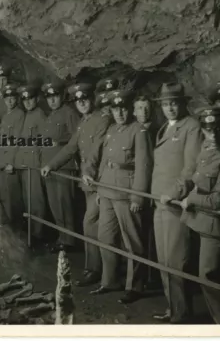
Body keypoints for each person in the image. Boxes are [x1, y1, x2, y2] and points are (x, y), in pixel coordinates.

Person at [175, 106, 220, 324]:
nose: (211, 134)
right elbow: (197, 179)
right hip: (197, 220)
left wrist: (190, 200)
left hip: (214, 224)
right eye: (207, 129)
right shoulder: (206, 147)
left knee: (209, 276)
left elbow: (218, 200)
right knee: (197, 272)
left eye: (216, 129)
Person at [42, 84, 112, 285]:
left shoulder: (102, 120)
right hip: (89, 183)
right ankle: (96, 269)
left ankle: (98, 270)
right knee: (92, 225)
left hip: (99, 181)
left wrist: (88, 172)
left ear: (92, 99)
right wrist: (51, 165)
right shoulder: (83, 122)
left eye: (85, 99)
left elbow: (96, 151)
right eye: (77, 101)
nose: (81, 103)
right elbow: (71, 147)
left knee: (93, 225)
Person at [87, 90, 153, 305]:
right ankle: (109, 281)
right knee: (105, 237)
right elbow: (105, 160)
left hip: (126, 193)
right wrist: (98, 189)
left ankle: (135, 286)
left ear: (130, 110)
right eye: (116, 109)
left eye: (124, 109)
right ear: (112, 111)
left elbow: (143, 166)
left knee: (132, 242)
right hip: (106, 191)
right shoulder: (112, 130)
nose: (120, 113)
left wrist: (138, 197)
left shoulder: (139, 131)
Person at [153, 82, 203, 323]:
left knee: (176, 260)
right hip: (159, 201)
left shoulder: (191, 127)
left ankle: (181, 313)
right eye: (165, 104)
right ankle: (173, 309)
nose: (170, 108)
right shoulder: (165, 127)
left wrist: (174, 192)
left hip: (173, 202)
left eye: (174, 103)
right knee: (164, 260)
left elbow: (191, 168)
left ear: (183, 103)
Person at [38, 82, 80, 253]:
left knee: (65, 204)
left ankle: (69, 240)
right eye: (49, 97)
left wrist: (60, 142)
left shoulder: (69, 113)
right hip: (49, 166)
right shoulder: (50, 116)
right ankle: (62, 238)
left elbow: (77, 139)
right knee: (55, 205)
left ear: (61, 96)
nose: (52, 100)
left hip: (63, 165)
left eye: (55, 96)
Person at [14, 84, 48, 247]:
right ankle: (31, 231)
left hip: (34, 163)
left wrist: (42, 164)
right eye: (25, 100)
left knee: (36, 200)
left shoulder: (40, 114)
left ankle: (38, 233)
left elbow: (44, 141)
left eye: (30, 99)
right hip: (23, 163)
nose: (27, 102)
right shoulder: (25, 115)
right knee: (28, 199)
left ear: (36, 99)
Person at [133, 94, 161, 289]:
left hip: (155, 189)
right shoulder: (135, 130)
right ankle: (145, 277)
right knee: (141, 235)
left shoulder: (158, 130)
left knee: (152, 236)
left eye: (146, 107)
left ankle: (152, 277)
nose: (143, 111)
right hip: (141, 188)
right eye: (139, 108)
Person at [0, 83, 25, 229]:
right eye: (7, 98)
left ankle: (17, 228)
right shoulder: (5, 115)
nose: (10, 101)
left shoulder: (19, 114)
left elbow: (17, 140)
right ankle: (10, 227)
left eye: (12, 98)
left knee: (13, 198)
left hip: (9, 162)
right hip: (1, 160)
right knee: (5, 196)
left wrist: (10, 162)